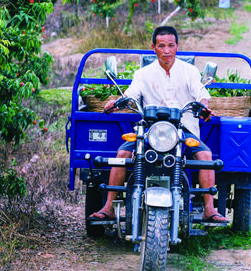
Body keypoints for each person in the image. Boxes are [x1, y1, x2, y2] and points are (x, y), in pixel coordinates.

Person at [88, 25, 228, 223]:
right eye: (162, 46)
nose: (167, 50)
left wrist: (203, 106)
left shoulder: (189, 71)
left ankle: (209, 208)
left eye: (171, 45)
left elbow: (201, 93)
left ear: (177, 46)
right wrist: (116, 102)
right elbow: (131, 94)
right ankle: (109, 206)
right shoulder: (143, 74)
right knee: (122, 154)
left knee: (205, 155)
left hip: (182, 130)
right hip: (149, 130)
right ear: (153, 48)